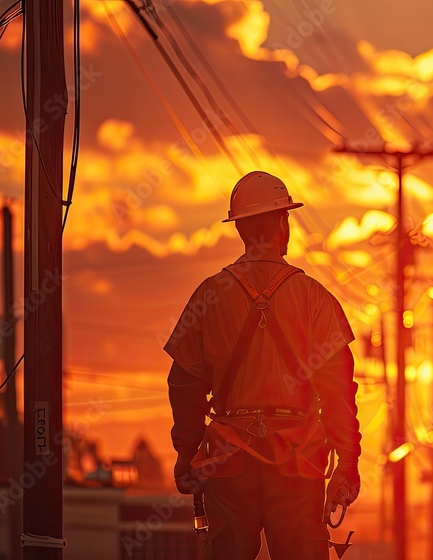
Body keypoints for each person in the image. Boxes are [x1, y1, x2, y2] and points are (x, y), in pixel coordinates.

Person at [165, 171, 362, 559]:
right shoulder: (315, 298)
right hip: (297, 461)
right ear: (282, 224)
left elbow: (184, 384)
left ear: (239, 229)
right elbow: (339, 389)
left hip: (227, 463)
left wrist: (187, 453)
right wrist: (348, 459)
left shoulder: (209, 295)